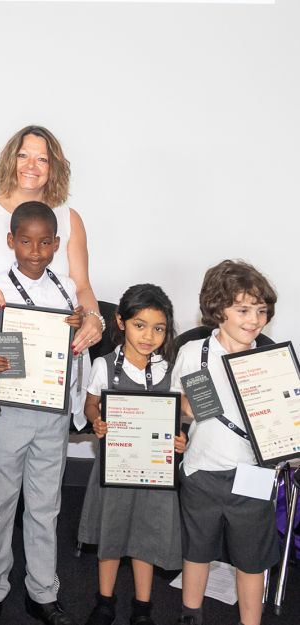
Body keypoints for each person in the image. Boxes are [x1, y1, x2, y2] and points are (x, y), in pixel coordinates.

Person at [0, 202, 87, 625]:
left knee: (45, 506)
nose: (34, 251)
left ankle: (42, 591)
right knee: (0, 504)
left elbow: (78, 351)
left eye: (44, 242)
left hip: (51, 414)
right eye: (25, 241)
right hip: (8, 413)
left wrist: (83, 333)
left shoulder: (67, 290)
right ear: (10, 242)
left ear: (56, 244)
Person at [171, 260, 279, 625]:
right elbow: (182, 411)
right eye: (243, 309)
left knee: (252, 560)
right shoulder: (193, 353)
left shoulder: (270, 358)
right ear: (218, 309)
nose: (254, 320)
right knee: (197, 551)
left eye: (261, 311)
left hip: (253, 474)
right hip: (202, 470)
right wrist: (185, 412)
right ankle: (191, 615)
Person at [0, 126, 103, 369]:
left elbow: (83, 287)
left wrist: (94, 320)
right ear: (10, 160)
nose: (31, 166)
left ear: (53, 168)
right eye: (23, 156)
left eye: (42, 159)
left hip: (58, 357)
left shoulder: (69, 219)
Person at [79, 284, 183, 625]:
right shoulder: (106, 366)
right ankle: (104, 601)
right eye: (140, 325)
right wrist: (97, 421)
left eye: (158, 328)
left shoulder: (170, 370)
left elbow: (176, 421)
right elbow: (91, 404)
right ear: (120, 322)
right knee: (110, 534)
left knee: (146, 537)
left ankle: (143, 606)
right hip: (115, 469)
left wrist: (179, 441)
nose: (149, 336)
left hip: (154, 472)